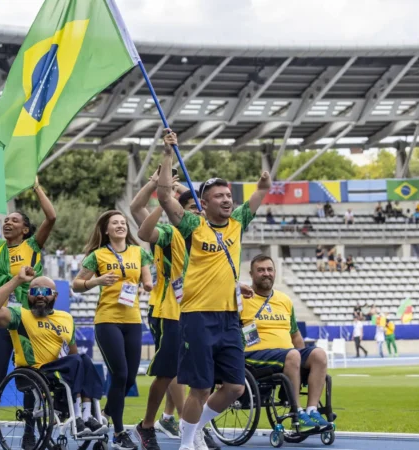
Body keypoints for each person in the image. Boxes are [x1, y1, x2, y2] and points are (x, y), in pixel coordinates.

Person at [156, 128, 271, 450]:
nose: (226, 199)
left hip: (230, 318)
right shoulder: (193, 225)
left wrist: (263, 186)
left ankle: (193, 428)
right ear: (204, 203)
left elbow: (259, 194)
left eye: (228, 195)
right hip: (198, 316)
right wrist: (167, 153)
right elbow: (164, 197)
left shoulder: (238, 222)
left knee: (235, 387)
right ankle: (187, 444)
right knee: (201, 388)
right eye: (219, 196)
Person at [133, 178, 222, 450]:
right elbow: (140, 219)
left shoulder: (209, 235)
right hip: (169, 310)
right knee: (167, 372)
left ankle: (184, 422)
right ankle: (148, 425)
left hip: (200, 311)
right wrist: (162, 191)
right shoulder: (170, 233)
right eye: (191, 208)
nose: (197, 212)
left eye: (200, 208)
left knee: (195, 374)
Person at [0, 177, 57, 450]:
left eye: (14, 220)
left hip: (29, 319)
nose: (8, 222)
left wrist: (36, 186)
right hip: (3, 318)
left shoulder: (32, 246)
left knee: (28, 375)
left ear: (26, 229)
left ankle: (30, 430)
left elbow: (51, 217)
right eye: (6, 219)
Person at [0, 266, 108, 447]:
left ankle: (87, 415)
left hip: (61, 369)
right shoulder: (19, 316)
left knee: (84, 360)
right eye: (35, 292)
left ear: (55, 296)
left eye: (46, 292)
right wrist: (18, 280)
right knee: (78, 361)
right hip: (36, 371)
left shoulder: (66, 318)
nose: (40, 295)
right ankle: (79, 417)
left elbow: (73, 353)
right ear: (28, 295)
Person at [73, 210, 153, 450]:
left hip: (133, 320)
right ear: (106, 230)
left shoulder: (139, 252)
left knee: (129, 377)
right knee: (119, 374)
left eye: (123, 222)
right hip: (107, 320)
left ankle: (104, 414)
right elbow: (76, 285)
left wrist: (149, 285)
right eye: (115, 223)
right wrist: (96, 281)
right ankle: (119, 433)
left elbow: (147, 280)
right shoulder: (97, 255)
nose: (120, 225)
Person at [241, 255, 333, 432]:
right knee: (293, 354)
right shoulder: (241, 299)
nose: (266, 273)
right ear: (251, 274)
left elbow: (295, 335)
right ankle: (297, 411)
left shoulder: (285, 300)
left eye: (269, 269)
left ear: (275, 272)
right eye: (260, 270)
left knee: (319, 354)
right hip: (254, 357)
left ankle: (312, 410)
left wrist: (303, 363)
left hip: (288, 355)